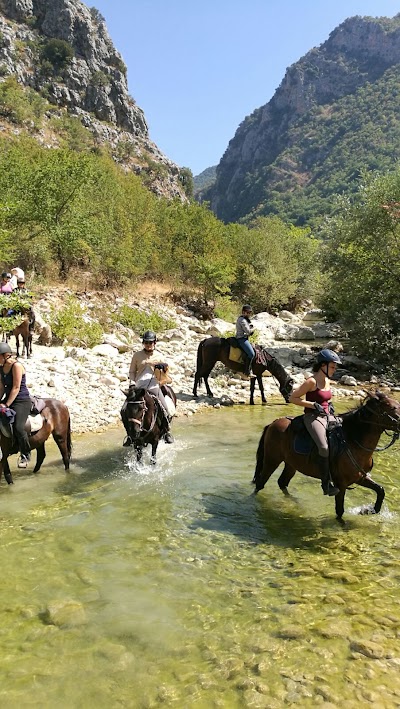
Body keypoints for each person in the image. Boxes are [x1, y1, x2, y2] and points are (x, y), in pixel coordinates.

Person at [289, 349, 341, 496]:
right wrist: (313, 405)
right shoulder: (311, 381)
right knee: (324, 447)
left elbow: (326, 398)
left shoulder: (327, 380)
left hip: (327, 415)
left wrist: (329, 405)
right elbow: (293, 398)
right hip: (312, 417)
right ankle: (326, 485)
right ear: (322, 365)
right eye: (332, 366)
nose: (334, 369)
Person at [128, 330, 175, 444]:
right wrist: (133, 383)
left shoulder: (159, 355)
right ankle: (129, 436)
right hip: (140, 384)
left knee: (165, 408)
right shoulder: (137, 355)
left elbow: (166, 370)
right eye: (146, 343)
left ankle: (166, 431)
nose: (148, 345)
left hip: (154, 383)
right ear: (143, 343)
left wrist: (162, 366)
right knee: (128, 408)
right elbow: (132, 371)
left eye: (150, 343)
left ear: (154, 343)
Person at [0, 342, 31, 468]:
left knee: (18, 427)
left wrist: (6, 404)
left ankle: (26, 454)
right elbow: (1, 387)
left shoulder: (17, 366)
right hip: (8, 398)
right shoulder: (1, 367)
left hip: (21, 400)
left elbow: (16, 387)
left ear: (5, 355)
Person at [235, 304, 255, 376]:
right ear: (243, 312)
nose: (249, 314)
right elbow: (248, 331)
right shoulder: (242, 320)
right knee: (251, 354)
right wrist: (253, 329)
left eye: (250, 312)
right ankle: (247, 371)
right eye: (248, 312)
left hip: (244, 338)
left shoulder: (245, 319)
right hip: (241, 339)